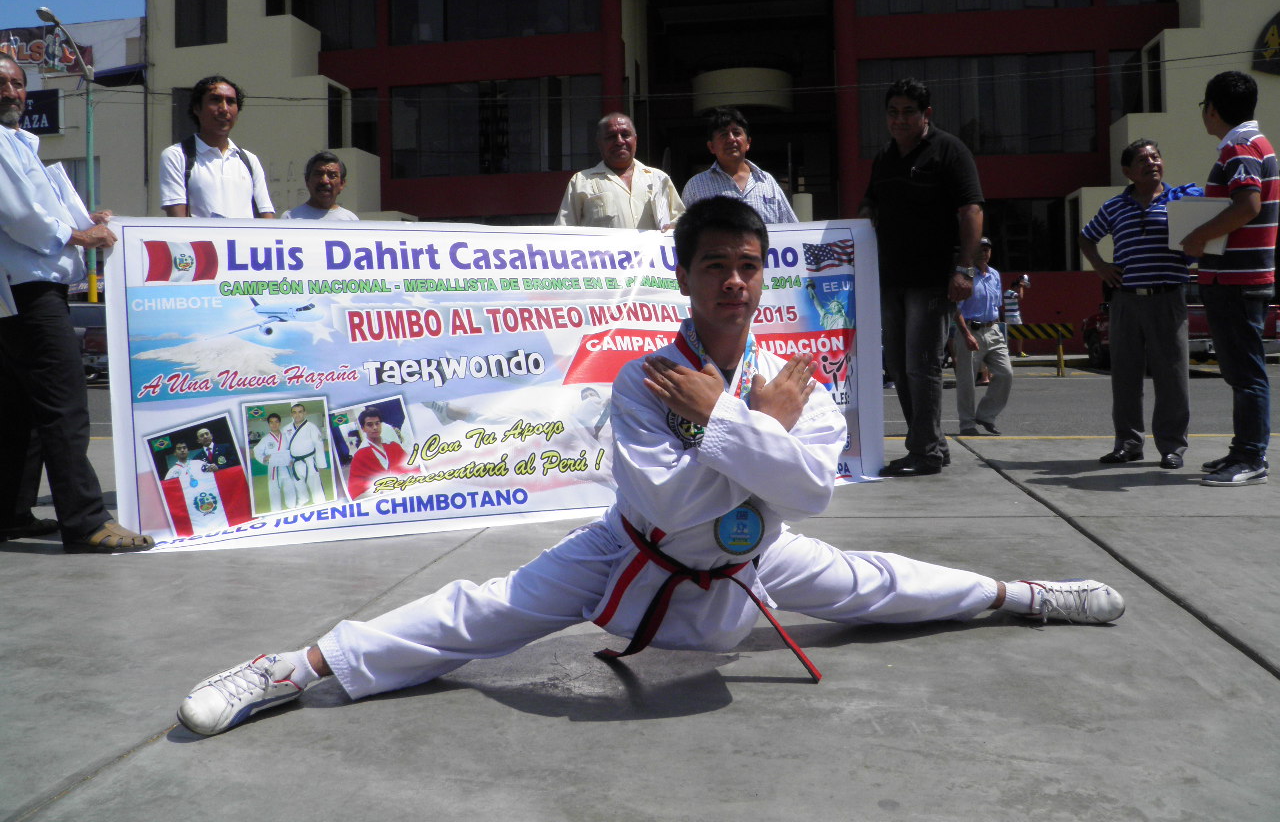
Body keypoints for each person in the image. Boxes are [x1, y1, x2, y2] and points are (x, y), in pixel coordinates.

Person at [176, 197, 1125, 737]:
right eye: (716, 265)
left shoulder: (798, 380)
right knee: (478, 613)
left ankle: (1025, 594)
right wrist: (748, 431)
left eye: (750, 265)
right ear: (684, 276)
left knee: (884, 585)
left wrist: (729, 421)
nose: (735, 282)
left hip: (754, 564)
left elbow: (815, 495)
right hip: (625, 561)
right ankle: (293, 668)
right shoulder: (644, 379)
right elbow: (666, 508)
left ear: (765, 274)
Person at [0, 55, 153, 553]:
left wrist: (85, 218)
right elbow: (21, 216)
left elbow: (41, 210)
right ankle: (86, 522)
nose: (11, 91)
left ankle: (11, 514)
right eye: (1, 82)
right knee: (65, 408)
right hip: (27, 290)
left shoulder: (21, 145)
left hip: (27, 292)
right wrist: (77, 233)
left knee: (24, 411)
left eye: (18, 83)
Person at [859, 78, 984, 477]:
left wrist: (964, 268)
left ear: (926, 114)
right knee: (897, 365)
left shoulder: (949, 151)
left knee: (921, 364)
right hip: (890, 277)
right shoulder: (884, 158)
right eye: (892, 112)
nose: (899, 119)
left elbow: (971, 211)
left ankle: (925, 450)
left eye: (908, 112)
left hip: (933, 278)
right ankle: (931, 442)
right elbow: (870, 207)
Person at [1079, 139, 1203, 469]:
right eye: (1142, 159)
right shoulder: (1114, 207)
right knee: (1125, 375)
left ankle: (1172, 447)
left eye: (1156, 156)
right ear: (1127, 171)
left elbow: (1208, 223)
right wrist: (1102, 267)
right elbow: (1086, 236)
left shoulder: (1182, 198)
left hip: (1168, 298)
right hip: (1126, 300)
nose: (1152, 162)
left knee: (1172, 376)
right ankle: (1129, 443)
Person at [1181, 71, 1278, 487]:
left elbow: (1248, 204)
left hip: (1237, 279)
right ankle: (1242, 450)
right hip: (1237, 277)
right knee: (1240, 371)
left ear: (1212, 109)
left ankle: (1251, 457)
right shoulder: (1253, 144)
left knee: (1246, 373)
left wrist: (1197, 236)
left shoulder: (1238, 148)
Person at [159, 75, 275, 219]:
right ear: (197, 108)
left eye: (231, 102)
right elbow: (178, 222)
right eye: (215, 100)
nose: (224, 108)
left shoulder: (249, 160)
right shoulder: (177, 156)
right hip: (202, 242)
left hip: (244, 242)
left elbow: (267, 219)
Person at [555, 113, 683, 229]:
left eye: (625, 135)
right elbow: (563, 233)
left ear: (635, 140)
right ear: (599, 143)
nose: (619, 141)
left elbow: (682, 226)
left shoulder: (659, 179)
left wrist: (673, 229)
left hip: (651, 255)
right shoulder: (581, 181)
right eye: (611, 136)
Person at [683, 107, 798, 224]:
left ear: (748, 143)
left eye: (736, 133)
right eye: (723, 134)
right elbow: (683, 232)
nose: (731, 139)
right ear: (711, 147)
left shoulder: (767, 182)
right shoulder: (696, 186)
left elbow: (792, 230)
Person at [953, 238, 1012, 437]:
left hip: (993, 329)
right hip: (970, 329)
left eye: (987, 249)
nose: (984, 253)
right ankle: (967, 424)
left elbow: (997, 305)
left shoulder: (995, 274)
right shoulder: (965, 274)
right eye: (980, 249)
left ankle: (986, 415)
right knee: (967, 380)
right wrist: (966, 334)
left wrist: (1000, 330)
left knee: (1005, 374)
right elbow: (955, 309)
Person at [345, 407, 416, 500]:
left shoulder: (394, 446)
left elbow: (411, 468)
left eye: (377, 423)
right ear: (363, 429)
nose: (375, 427)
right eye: (370, 425)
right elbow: (355, 492)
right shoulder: (360, 456)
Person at [281, 152, 359, 221]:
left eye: (332, 175)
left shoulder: (350, 220)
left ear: (342, 184)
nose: (325, 180)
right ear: (307, 180)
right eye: (318, 174)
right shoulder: (290, 218)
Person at [252, 413, 298, 512]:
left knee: (290, 488)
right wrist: (264, 458)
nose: (274, 424)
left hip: (286, 467)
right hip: (273, 469)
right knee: (274, 491)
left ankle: (292, 507)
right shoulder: (265, 439)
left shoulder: (286, 436)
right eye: (271, 422)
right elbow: (256, 451)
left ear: (280, 423)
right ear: (268, 424)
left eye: (276, 422)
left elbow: (293, 449)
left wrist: (292, 460)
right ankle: (277, 511)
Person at [285, 403, 329, 505]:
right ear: (291, 414)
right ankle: (303, 500)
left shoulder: (311, 427)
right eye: (294, 412)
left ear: (305, 413)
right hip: (295, 463)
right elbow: (285, 447)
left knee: (315, 486)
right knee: (298, 485)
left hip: (309, 461)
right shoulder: (287, 429)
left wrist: (321, 464)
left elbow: (319, 446)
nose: (297, 415)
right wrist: (288, 460)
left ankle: (321, 504)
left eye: (300, 412)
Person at [1003, 274, 1029, 358]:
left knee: (1007, 335)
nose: (1018, 289)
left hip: (1007, 316)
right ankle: (1019, 352)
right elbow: (1020, 297)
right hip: (1014, 316)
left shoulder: (1006, 293)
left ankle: (1006, 352)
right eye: (1018, 287)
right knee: (1020, 333)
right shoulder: (1011, 293)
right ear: (1015, 287)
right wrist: (1021, 287)